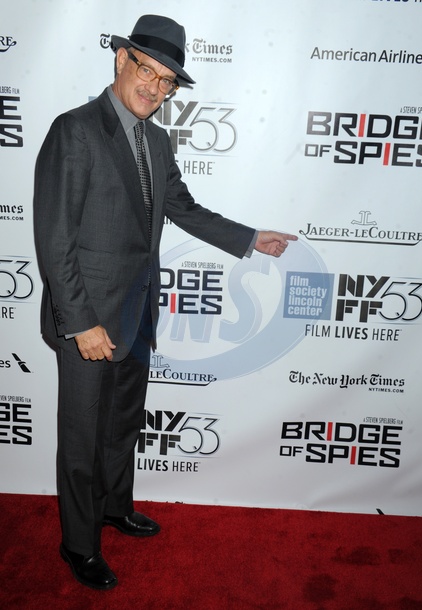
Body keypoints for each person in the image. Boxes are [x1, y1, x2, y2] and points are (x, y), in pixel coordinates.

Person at [33, 14, 297, 591]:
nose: (155, 88)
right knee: (81, 438)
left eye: (167, 81)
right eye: (147, 72)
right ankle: (78, 544)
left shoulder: (156, 139)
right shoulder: (75, 130)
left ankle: (114, 508)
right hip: (87, 321)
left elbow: (183, 207)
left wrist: (251, 239)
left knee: (123, 424)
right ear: (121, 60)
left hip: (137, 313)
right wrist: (80, 323)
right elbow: (54, 239)